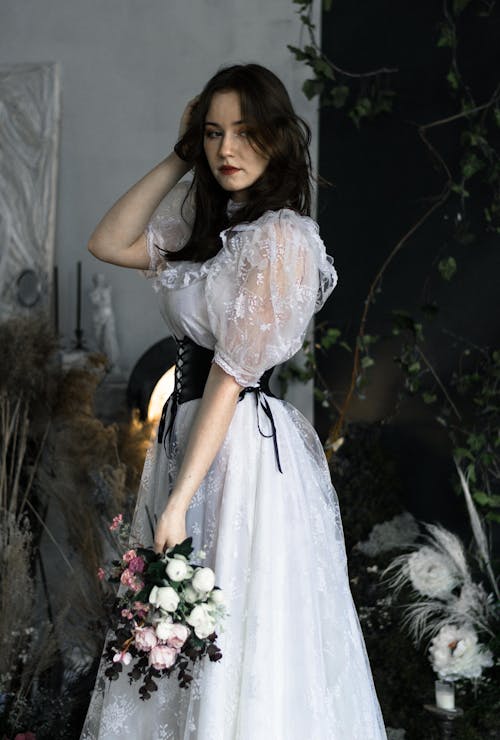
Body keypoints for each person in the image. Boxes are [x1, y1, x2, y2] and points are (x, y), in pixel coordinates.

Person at [80, 63, 387, 739]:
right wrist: (178, 152)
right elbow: (107, 242)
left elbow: (229, 374)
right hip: (186, 442)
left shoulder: (281, 239)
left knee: (237, 626)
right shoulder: (205, 229)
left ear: (276, 138)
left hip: (240, 448)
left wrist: (180, 502)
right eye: (214, 133)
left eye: (244, 132)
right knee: (173, 630)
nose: (226, 149)